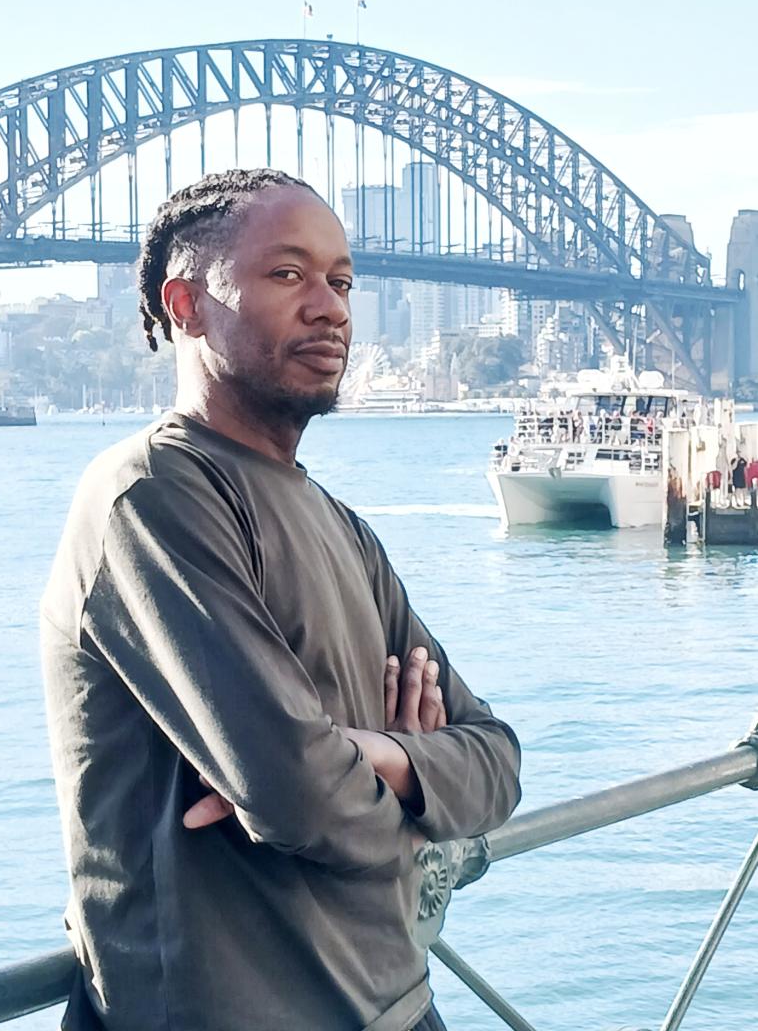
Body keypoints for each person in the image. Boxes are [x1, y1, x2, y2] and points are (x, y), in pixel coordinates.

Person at [41, 168, 522, 1031]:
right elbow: (298, 794)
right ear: (185, 305)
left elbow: (497, 758)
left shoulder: (341, 525)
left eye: (341, 281)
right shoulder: (152, 496)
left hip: (400, 1007)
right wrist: (413, 808)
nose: (331, 307)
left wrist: (375, 758)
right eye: (288, 274)